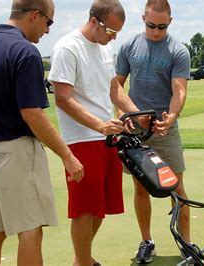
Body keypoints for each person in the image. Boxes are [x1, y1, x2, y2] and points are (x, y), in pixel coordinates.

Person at [0, 0, 84, 265]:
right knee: (30, 229)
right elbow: (32, 113)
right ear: (35, 15)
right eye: (48, 22)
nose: (47, 31)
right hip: (17, 151)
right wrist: (67, 155)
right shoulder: (25, 51)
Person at [47, 0, 138, 265]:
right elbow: (62, 99)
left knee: (101, 208)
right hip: (81, 139)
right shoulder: (68, 47)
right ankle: (84, 262)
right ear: (95, 21)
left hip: (107, 137)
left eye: (117, 33)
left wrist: (135, 113)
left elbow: (114, 90)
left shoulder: (103, 48)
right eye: (111, 31)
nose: (114, 38)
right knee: (84, 209)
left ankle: (81, 260)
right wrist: (99, 125)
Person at [115, 0, 191, 263]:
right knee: (140, 189)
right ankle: (147, 241)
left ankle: (186, 244)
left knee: (178, 190)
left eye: (161, 26)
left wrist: (170, 117)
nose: (156, 31)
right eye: (151, 25)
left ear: (170, 21)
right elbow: (116, 86)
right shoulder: (128, 46)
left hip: (164, 130)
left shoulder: (178, 50)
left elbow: (179, 90)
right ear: (143, 18)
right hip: (134, 131)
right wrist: (128, 116)